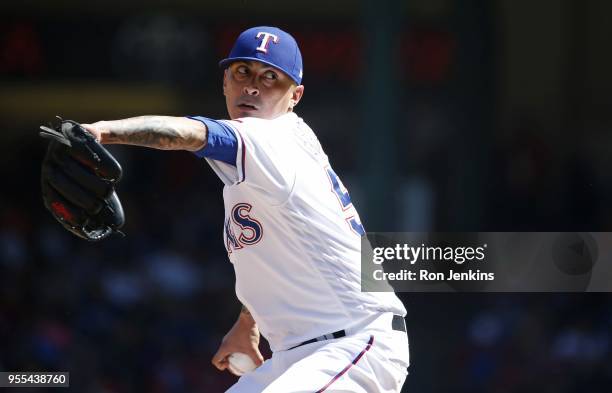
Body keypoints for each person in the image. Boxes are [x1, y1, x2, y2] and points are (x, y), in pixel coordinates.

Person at [83, 26, 409, 393]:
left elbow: (194, 133)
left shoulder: (270, 139)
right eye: (243, 72)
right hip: (301, 352)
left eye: (271, 77)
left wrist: (101, 131)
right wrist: (248, 322)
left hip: (354, 343)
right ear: (225, 81)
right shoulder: (270, 156)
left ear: (295, 95)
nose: (253, 87)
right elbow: (289, 253)